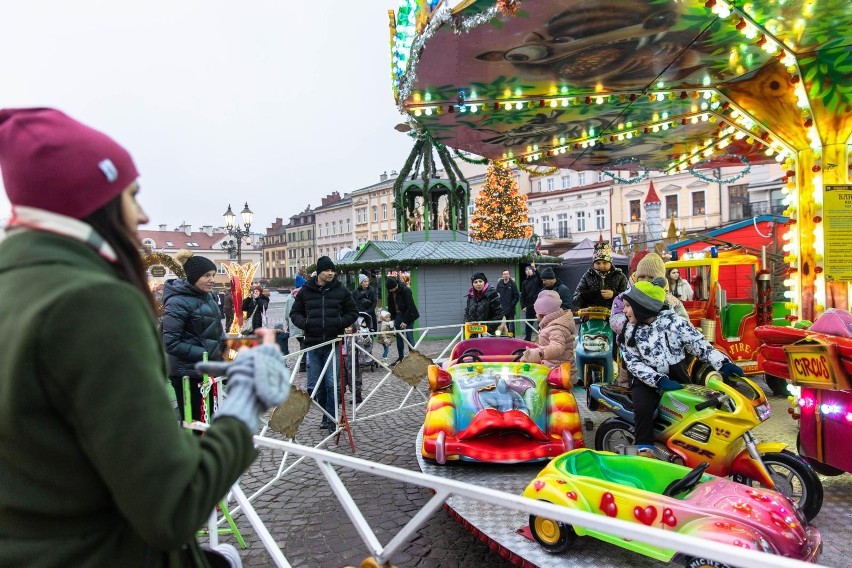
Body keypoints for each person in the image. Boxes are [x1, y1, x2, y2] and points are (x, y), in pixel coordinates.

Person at [0, 107, 289, 565]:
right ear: (92, 200)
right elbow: (171, 504)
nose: (143, 212)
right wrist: (245, 404)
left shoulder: (16, 284)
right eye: (130, 194)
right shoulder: (92, 300)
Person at [619, 279, 744, 459]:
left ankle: (692, 445)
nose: (624, 311)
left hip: (676, 374)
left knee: (694, 406)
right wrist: (658, 380)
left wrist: (722, 363)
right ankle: (644, 449)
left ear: (642, 307)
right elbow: (632, 362)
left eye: (628, 306)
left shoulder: (676, 323)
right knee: (644, 407)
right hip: (645, 380)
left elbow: (699, 345)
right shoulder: (630, 330)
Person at [290, 256, 358, 431]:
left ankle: (331, 417)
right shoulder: (306, 290)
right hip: (312, 344)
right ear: (319, 272)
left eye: (332, 270)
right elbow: (295, 313)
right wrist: (305, 323)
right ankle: (324, 415)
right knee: (314, 384)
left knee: (331, 382)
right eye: (327, 270)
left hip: (333, 342)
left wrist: (340, 322)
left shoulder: (341, 290)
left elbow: (353, 311)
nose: (330, 273)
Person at [162, 250, 227, 421]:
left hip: (208, 370)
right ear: (193, 276)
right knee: (195, 425)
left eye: (213, 274)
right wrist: (207, 354)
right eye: (206, 275)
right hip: (188, 374)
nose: (212, 279)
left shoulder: (209, 297)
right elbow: (171, 343)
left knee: (211, 420)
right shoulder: (177, 301)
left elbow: (217, 332)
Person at [611, 253, 689, 386]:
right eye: (642, 277)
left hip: (664, 349)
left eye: (651, 278)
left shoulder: (669, 299)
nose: (646, 281)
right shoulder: (624, 297)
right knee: (628, 371)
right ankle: (624, 385)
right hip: (633, 345)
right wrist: (637, 320)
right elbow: (614, 321)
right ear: (636, 277)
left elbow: (684, 322)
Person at [520, 291, 577, 378]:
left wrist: (539, 353)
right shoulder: (551, 324)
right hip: (554, 370)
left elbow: (557, 347)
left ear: (543, 314)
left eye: (537, 313)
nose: (535, 315)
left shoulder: (556, 328)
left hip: (561, 375)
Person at [572, 241, 628, 310]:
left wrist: (614, 295)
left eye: (605, 263)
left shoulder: (620, 276)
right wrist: (587, 295)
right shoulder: (587, 276)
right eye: (598, 263)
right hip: (591, 315)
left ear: (610, 263)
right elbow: (575, 301)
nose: (601, 266)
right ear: (593, 263)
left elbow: (628, 299)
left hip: (615, 315)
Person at [386, 276, 419, 364]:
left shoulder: (405, 290)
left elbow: (410, 306)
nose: (392, 290)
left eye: (393, 288)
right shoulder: (390, 292)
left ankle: (413, 357)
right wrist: (392, 320)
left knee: (409, 337)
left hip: (409, 314)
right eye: (390, 289)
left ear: (396, 285)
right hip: (398, 315)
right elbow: (391, 307)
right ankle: (401, 358)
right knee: (399, 337)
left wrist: (405, 321)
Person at [495, 269, 521, 336]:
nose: (506, 275)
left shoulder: (512, 284)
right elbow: (496, 295)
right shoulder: (499, 284)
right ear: (502, 276)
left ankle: (512, 339)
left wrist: (511, 305)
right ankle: (503, 339)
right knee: (502, 326)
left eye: (507, 274)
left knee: (511, 326)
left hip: (510, 310)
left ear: (509, 275)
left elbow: (517, 296)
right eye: (504, 274)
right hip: (501, 310)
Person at [520, 264, 542, 341]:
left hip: (538, 305)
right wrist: (523, 306)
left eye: (529, 269)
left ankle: (541, 337)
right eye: (526, 270)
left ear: (532, 271)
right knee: (528, 323)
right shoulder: (525, 282)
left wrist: (536, 269)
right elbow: (522, 295)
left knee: (540, 322)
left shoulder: (537, 279)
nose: (528, 271)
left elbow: (540, 278)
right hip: (529, 306)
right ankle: (528, 338)